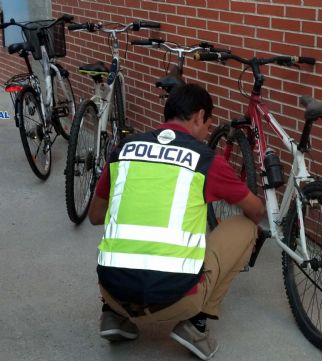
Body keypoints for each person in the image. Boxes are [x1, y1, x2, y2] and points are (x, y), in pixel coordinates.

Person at [88, 83, 265, 360]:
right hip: (175, 300)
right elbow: (256, 210)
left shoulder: (124, 148)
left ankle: (114, 316)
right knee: (246, 228)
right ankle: (195, 325)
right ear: (198, 116)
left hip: (111, 290)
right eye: (208, 125)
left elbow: (95, 216)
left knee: (123, 239)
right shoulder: (206, 160)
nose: (208, 132)